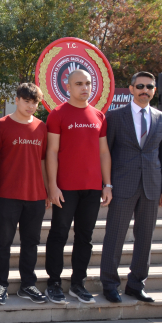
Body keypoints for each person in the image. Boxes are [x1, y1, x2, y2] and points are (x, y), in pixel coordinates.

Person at [100, 72, 162, 303]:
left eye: (149, 87)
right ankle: (110, 285)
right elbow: (106, 152)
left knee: (145, 237)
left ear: (154, 91)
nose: (145, 90)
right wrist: (106, 185)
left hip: (151, 186)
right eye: (140, 86)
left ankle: (136, 284)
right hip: (122, 185)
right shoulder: (114, 116)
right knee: (115, 235)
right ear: (131, 89)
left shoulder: (161, 118)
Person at [45, 69, 112, 304]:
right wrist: (52, 186)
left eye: (88, 83)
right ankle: (53, 282)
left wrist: (107, 184)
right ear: (68, 87)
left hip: (92, 188)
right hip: (65, 188)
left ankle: (77, 283)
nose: (85, 88)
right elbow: (51, 151)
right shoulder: (57, 114)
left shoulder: (99, 116)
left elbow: (104, 152)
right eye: (79, 84)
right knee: (59, 234)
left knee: (85, 237)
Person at [0, 83, 49, 306]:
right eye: (27, 101)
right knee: (3, 242)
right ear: (16, 100)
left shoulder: (41, 127)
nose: (31, 106)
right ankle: (0, 285)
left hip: (35, 196)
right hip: (7, 194)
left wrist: (46, 189)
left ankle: (28, 284)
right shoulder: (1, 125)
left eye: (34, 103)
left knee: (31, 242)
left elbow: (43, 161)